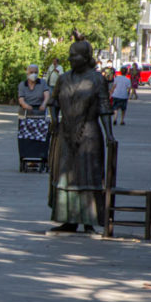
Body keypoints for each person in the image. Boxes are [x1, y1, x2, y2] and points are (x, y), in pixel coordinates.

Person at [47, 37, 115, 233]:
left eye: (74, 56)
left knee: (88, 174)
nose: (70, 59)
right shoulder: (63, 78)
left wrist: (109, 135)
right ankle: (68, 219)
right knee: (65, 175)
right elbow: (54, 103)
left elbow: (104, 107)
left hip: (89, 134)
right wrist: (54, 121)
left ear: (86, 58)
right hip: (65, 133)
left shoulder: (97, 79)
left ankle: (89, 220)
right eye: (69, 55)